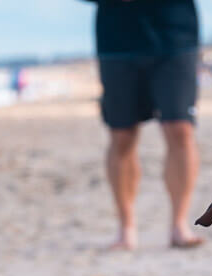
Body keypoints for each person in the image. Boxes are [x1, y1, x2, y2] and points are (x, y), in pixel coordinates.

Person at [85, 0, 203, 250]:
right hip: (116, 40)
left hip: (175, 37)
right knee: (122, 135)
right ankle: (126, 229)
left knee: (180, 129)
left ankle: (179, 225)